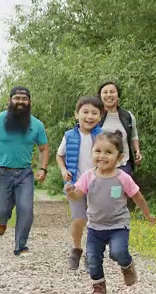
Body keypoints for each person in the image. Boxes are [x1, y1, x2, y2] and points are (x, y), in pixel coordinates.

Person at [64, 131, 156, 294]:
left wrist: (147, 214)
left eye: (108, 152)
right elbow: (78, 195)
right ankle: (99, 286)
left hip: (118, 226)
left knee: (118, 252)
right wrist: (71, 193)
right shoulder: (88, 176)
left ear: (119, 157)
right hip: (95, 227)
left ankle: (127, 266)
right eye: (97, 151)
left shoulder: (123, 178)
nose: (102, 156)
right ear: (92, 153)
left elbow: (137, 196)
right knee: (92, 257)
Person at [0, 86, 50, 256]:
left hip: (25, 174)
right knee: (0, 210)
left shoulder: (36, 124)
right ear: (9, 100)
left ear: (29, 102)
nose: (20, 102)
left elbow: (44, 148)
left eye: (24, 99)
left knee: (26, 209)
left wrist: (42, 169)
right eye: (17, 98)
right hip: (1, 173)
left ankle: (21, 246)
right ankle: (2, 220)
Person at [56, 96, 104, 270]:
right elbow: (59, 155)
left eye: (94, 113)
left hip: (98, 185)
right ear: (77, 115)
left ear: (100, 117)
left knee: (95, 221)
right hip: (75, 184)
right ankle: (76, 249)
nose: (89, 116)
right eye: (85, 112)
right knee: (79, 219)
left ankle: (92, 253)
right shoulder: (69, 135)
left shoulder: (103, 136)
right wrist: (63, 170)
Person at [98, 81, 143, 176]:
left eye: (112, 92)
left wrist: (137, 151)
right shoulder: (95, 116)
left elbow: (134, 136)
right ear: (100, 96)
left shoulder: (128, 116)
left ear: (118, 95)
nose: (109, 95)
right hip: (101, 165)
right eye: (105, 92)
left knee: (118, 191)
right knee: (102, 190)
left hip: (123, 166)